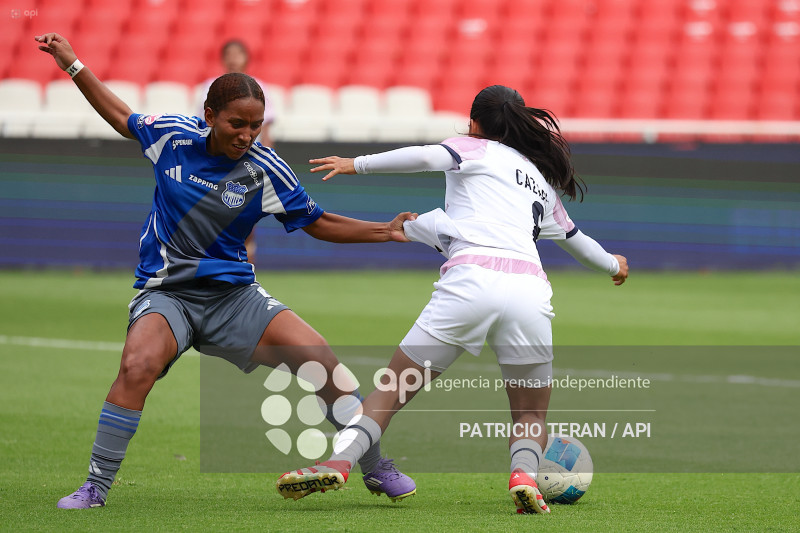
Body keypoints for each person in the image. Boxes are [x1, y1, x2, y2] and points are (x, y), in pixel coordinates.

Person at [35, 32, 417, 510]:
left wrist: (385, 230)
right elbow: (120, 116)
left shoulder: (265, 169)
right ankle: (95, 487)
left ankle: (375, 466)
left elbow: (317, 221)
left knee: (321, 360)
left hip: (234, 298)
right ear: (209, 116)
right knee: (137, 366)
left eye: (255, 126)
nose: (246, 135)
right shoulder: (172, 136)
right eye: (237, 124)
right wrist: (73, 65)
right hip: (167, 294)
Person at [275, 85, 629, 514]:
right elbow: (579, 243)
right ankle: (523, 478)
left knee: (388, 394)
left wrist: (357, 164)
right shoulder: (540, 184)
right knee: (530, 416)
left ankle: (338, 462)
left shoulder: (472, 148)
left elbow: (426, 157)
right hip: (529, 294)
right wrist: (614, 265)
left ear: (474, 122)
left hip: (470, 284)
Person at [197, 39, 275, 265]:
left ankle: (245, 275)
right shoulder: (210, 87)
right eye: (228, 53)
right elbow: (201, 126)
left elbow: (266, 130)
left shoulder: (258, 87)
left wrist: (266, 162)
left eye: (238, 53)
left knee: (245, 223)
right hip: (216, 164)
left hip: (247, 163)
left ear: (246, 57)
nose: (233, 58)